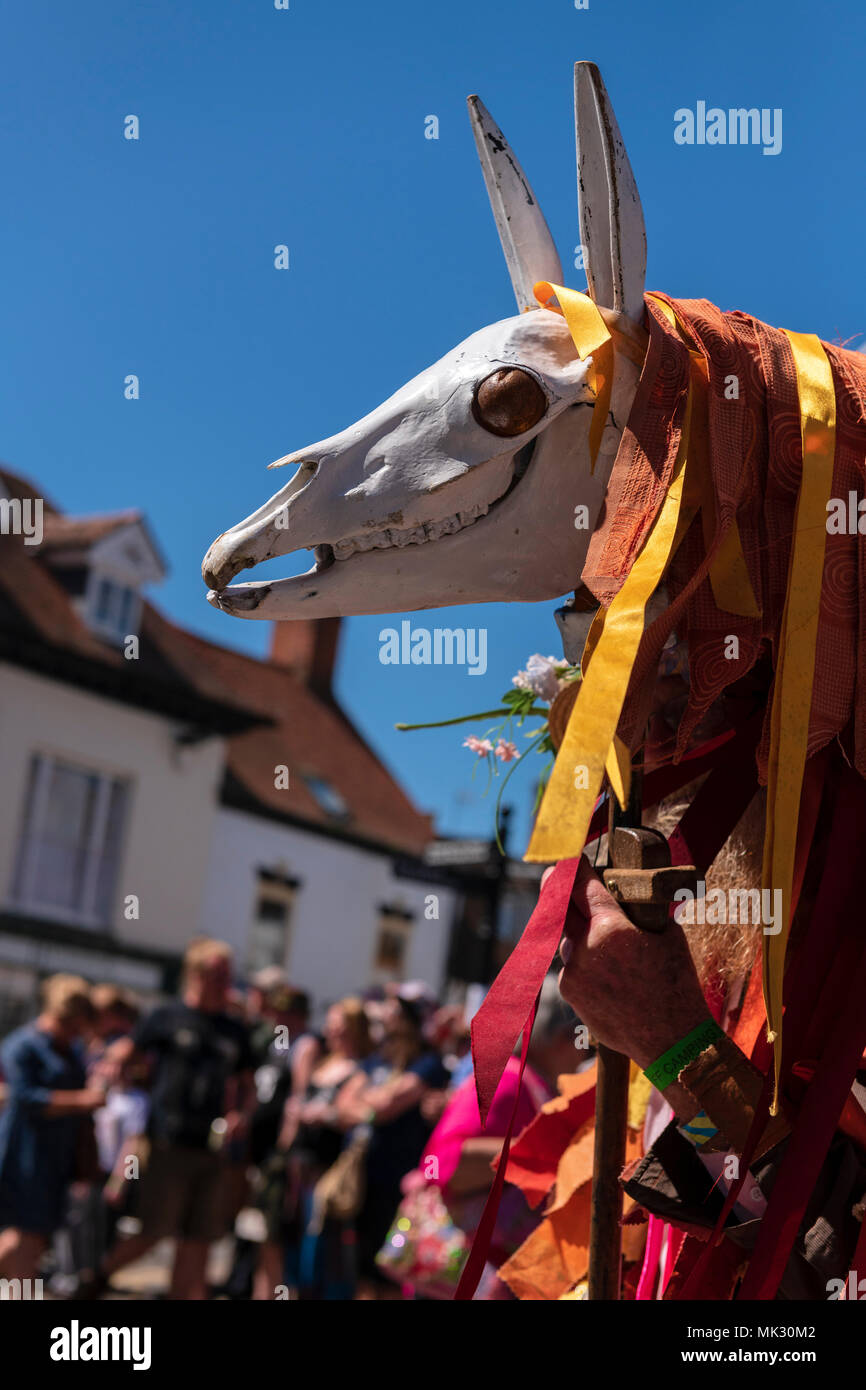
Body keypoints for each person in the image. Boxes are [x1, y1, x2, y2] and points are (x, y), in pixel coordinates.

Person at [99, 938, 256, 1300]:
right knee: (154, 1230)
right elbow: (123, 1055)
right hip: (166, 1143)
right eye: (216, 974)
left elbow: (247, 1085)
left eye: (227, 974)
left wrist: (240, 1115)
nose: (223, 981)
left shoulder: (234, 1031)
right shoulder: (165, 1017)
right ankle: (93, 1278)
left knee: (199, 1239)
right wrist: (117, 1084)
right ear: (195, 974)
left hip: (211, 1149)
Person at [253, 996, 370, 1300]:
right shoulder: (322, 1062)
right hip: (295, 1168)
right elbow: (296, 1104)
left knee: (316, 1260)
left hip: (325, 1176)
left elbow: (351, 1114)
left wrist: (324, 1114)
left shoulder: (360, 1072)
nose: (331, 1032)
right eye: (330, 1025)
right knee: (281, 1248)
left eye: (339, 1026)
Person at [337, 996, 450, 1297]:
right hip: (364, 1181)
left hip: (398, 1183)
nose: (387, 1016)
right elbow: (343, 1104)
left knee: (390, 1275)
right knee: (360, 1270)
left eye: (396, 1012)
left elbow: (388, 1104)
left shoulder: (429, 1064)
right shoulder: (378, 1059)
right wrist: (374, 1109)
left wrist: (371, 1105)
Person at [0, 975, 105, 1289]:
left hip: (56, 1156)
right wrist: (81, 1100)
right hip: (25, 1153)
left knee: (34, 1239)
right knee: (27, 1236)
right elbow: (25, 1098)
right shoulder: (24, 1045)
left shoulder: (69, 1049)